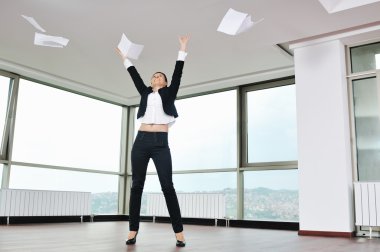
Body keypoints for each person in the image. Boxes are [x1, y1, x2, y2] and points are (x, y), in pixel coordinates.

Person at [116, 35, 190, 247]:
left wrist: (182, 49)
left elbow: (178, 73)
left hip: (160, 142)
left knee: (168, 186)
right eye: (154, 76)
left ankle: (179, 233)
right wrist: (125, 58)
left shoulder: (169, 92)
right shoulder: (145, 93)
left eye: (160, 76)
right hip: (140, 141)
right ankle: (132, 230)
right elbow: (134, 76)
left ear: (165, 82)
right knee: (137, 185)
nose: (156, 78)